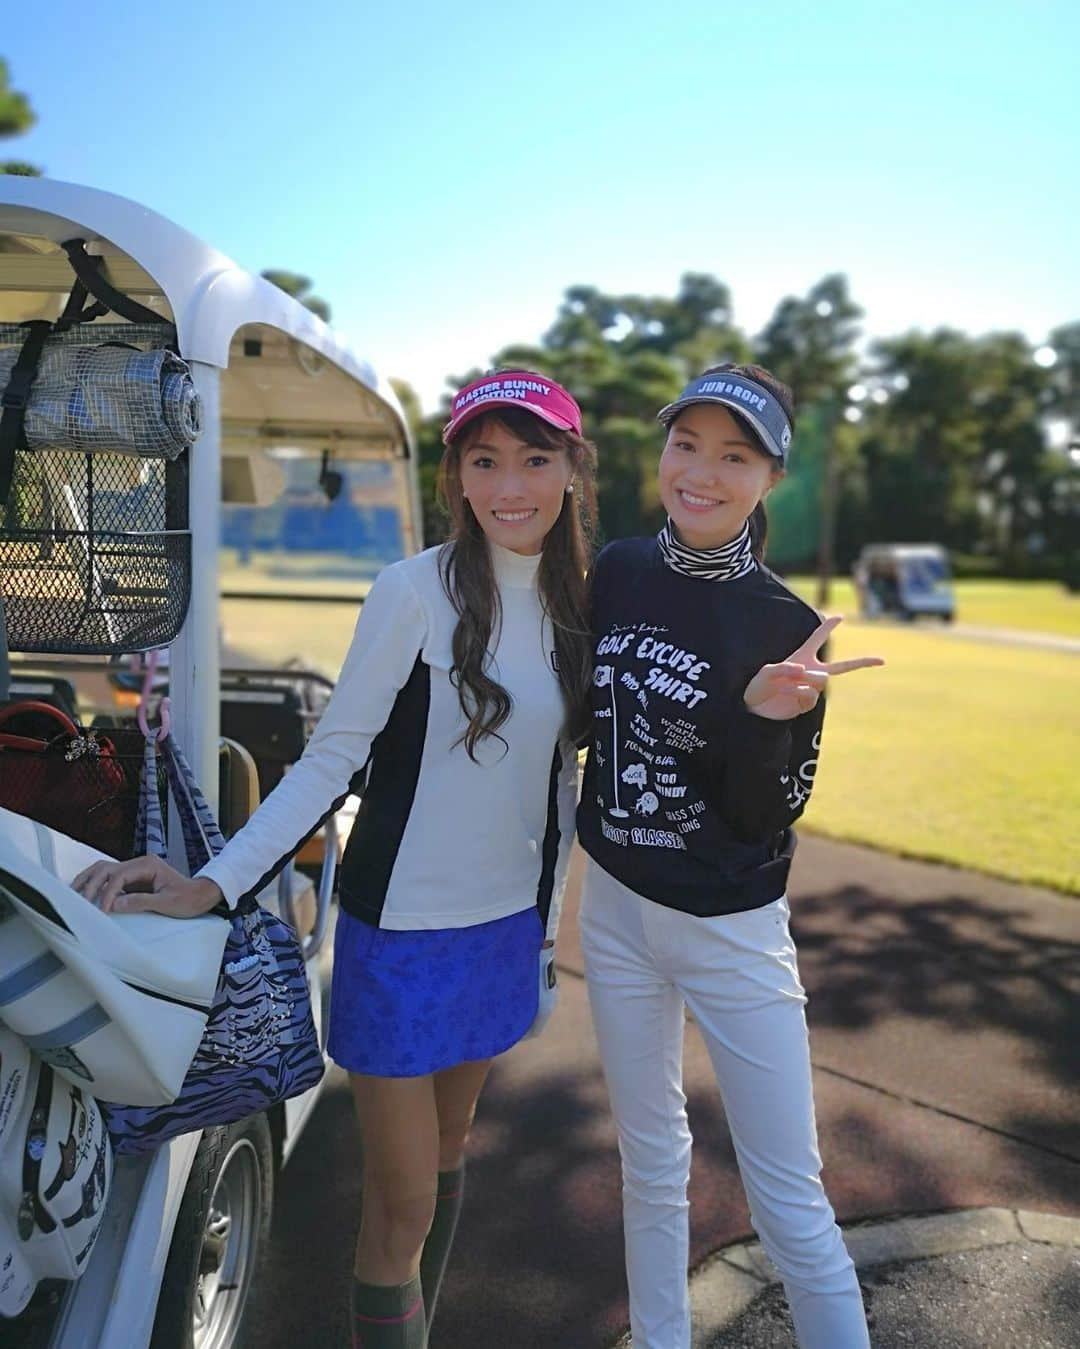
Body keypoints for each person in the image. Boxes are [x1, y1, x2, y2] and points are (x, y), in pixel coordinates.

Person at [73, 369, 596, 1349]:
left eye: (535, 456)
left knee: (448, 1158)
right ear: (457, 474)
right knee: (397, 1211)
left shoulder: (580, 605)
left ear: (573, 468)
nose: (509, 483)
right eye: (485, 459)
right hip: (397, 939)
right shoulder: (413, 590)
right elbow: (330, 759)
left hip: (501, 937)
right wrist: (213, 881)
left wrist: (541, 942)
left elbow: (558, 794)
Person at [576, 363, 882, 1349]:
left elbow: (763, 817)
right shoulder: (618, 566)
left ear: (769, 479)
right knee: (648, 1159)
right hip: (614, 906)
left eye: (734, 455)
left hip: (730, 927)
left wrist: (760, 721)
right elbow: (583, 720)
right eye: (687, 444)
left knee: (790, 1199)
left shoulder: (785, 626)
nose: (702, 471)